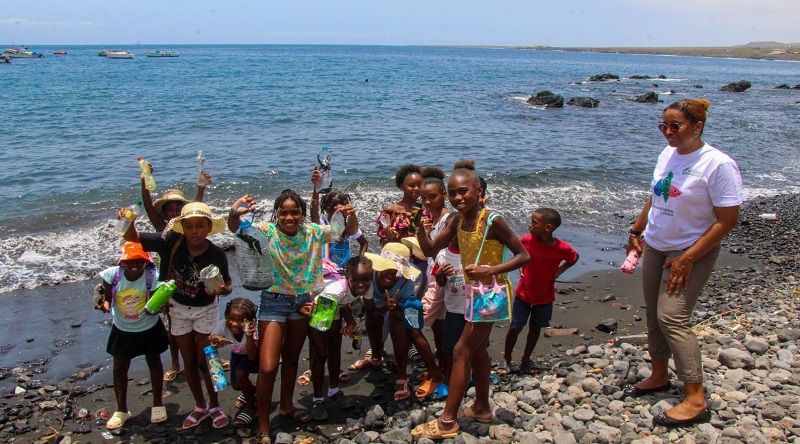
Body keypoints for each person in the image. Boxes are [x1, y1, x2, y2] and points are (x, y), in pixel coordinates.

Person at [624, 98, 742, 428]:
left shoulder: (717, 164)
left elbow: (727, 219)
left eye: (676, 126)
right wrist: (637, 229)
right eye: (664, 126)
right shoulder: (668, 154)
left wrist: (688, 257)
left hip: (691, 251)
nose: (668, 132)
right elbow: (656, 193)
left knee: (672, 316)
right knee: (653, 314)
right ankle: (659, 375)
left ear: (697, 126)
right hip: (656, 245)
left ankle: (695, 397)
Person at [228, 190, 358, 442]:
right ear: (277, 214)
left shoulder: (311, 232)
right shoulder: (267, 231)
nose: (290, 217)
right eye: (284, 212)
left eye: (295, 212)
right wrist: (235, 212)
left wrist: (350, 216)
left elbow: (343, 232)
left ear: (301, 213)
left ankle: (287, 405)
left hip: (302, 302)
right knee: (267, 367)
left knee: (291, 359)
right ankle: (264, 421)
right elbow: (238, 229)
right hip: (273, 303)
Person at [413, 160, 529, 439]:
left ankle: (447, 420)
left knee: (460, 351)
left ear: (479, 192)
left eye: (463, 191)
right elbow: (430, 250)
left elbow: (524, 255)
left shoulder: (492, 220)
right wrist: (421, 225)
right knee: (477, 352)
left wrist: (492, 270)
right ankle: (481, 407)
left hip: (490, 296)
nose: (457, 198)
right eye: (452, 193)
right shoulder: (455, 221)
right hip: (471, 293)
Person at [123, 201, 233, 430]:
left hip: (205, 308)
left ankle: (215, 406)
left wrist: (221, 290)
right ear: (182, 226)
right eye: (190, 226)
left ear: (208, 227)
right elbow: (132, 237)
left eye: (200, 226)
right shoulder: (170, 242)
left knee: (205, 360)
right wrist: (128, 219)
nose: (195, 231)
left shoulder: (216, 253)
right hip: (178, 308)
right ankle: (200, 406)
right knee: (189, 361)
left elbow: (228, 284)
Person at [139, 162, 212, 382]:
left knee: (200, 324)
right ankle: (175, 363)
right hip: (167, 282)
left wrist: (201, 188)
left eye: (177, 208)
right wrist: (144, 180)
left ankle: (205, 359)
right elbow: (148, 206)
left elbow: (198, 208)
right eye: (169, 209)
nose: (173, 212)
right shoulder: (162, 229)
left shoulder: (190, 227)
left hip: (189, 278)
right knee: (173, 326)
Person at [95, 242, 169, 430]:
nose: (135, 265)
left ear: (146, 262)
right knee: (119, 367)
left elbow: (155, 303)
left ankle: (158, 404)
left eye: (139, 261)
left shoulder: (153, 276)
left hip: (149, 327)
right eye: (130, 262)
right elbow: (106, 297)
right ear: (123, 263)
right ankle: (121, 410)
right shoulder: (113, 275)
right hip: (123, 328)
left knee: (154, 362)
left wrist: (161, 307)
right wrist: (103, 304)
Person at [499, 208, 578, 376]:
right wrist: (521, 266)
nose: (530, 225)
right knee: (515, 327)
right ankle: (506, 358)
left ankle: (526, 359)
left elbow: (574, 258)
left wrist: (558, 272)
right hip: (524, 294)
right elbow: (517, 253)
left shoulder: (561, 248)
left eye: (534, 222)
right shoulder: (526, 241)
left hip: (545, 297)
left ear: (548, 227)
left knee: (535, 329)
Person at [363, 243, 445, 400]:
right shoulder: (370, 276)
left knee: (409, 330)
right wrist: (386, 308)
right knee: (372, 323)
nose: (391, 274)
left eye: (396, 271)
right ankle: (376, 356)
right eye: (387, 269)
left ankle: (414, 374)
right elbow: (371, 311)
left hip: (405, 302)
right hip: (381, 303)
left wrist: (392, 308)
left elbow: (401, 312)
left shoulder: (406, 282)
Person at [306, 259, 358, 421]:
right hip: (318, 307)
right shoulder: (335, 291)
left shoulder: (356, 288)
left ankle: (334, 390)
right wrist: (319, 346)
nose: (362, 284)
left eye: (366, 280)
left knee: (335, 349)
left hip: (333, 305)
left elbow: (344, 304)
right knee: (320, 354)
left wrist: (350, 321)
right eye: (357, 280)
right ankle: (317, 399)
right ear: (349, 278)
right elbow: (318, 322)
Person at [418, 167, 451, 371]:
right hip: (434, 276)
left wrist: (422, 231)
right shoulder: (433, 220)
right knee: (439, 324)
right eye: (423, 198)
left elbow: (431, 251)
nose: (427, 202)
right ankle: (442, 363)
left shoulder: (449, 220)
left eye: (432, 197)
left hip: (443, 279)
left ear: (444, 195)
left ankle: (439, 369)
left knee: (417, 321)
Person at [208, 298, 259, 428]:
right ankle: (253, 391)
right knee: (236, 384)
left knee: (240, 375)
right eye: (231, 319)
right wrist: (216, 340)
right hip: (237, 354)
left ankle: (252, 409)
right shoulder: (223, 324)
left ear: (250, 321)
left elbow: (252, 355)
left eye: (241, 320)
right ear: (226, 317)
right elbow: (212, 338)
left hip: (254, 353)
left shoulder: (254, 330)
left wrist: (249, 336)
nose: (235, 324)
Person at [430, 235, 465, 380]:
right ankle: (450, 378)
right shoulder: (443, 255)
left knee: (477, 347)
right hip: (453, 309)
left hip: (473, 309)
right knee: (450, 348)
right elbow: (441, 283)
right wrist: (439, 275)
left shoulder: (473, 251)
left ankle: (476, 376)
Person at [311, 187, 369, 268]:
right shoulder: (322, 224)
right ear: (327, 208)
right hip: (325, 269)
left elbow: (364, 243)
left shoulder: (348, 226)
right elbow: (314, 215)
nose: (344, 212)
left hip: (344, 270)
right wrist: (316, 191)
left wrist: (360, 262)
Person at [376, 164, 423, 245]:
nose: (416, 188)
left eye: (419, 185)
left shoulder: (427, 210)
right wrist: (391, 237)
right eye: (411, 185)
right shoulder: (390, 211)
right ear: (402, 186)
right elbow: (382, 242)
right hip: (396, 254)